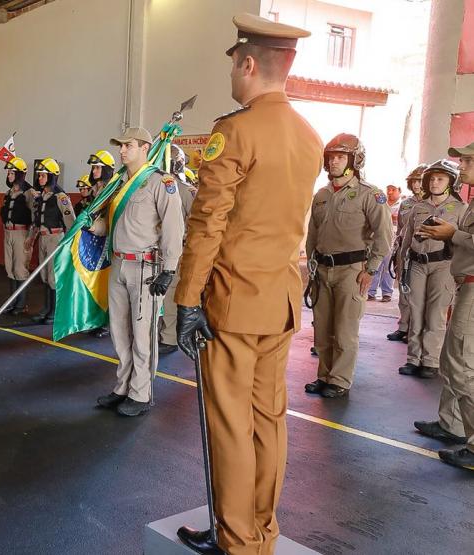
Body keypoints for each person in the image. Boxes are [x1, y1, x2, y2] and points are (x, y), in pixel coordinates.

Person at [173, 14, 323, 554]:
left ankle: (236, 539)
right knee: (268, 420)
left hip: (233, 303)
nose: (232, 75)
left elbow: (208, 222)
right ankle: (261, 532)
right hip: (280, 301)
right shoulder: (308, 135)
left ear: (249, 64)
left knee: (231, 424)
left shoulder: (235, 131)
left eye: (235, 65)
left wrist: (187, 299)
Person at [92, 127, 184, 417]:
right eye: (120, 146)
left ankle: (141, 393)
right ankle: (123, 387)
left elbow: (173, 227)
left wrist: (169, 269)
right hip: (118, 264)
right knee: (119, 331)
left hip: (146, 268)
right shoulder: (119, 184)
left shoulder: (161, 182)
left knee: (143, 334)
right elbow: (111, 226)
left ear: (145, 148)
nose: (121, 151)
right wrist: (90, 225)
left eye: (128, 145)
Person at [304, 133, 393, 398]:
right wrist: (312, 265)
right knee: (322, 329)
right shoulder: (321, 195)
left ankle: (339, 380)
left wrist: (371, 269)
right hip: (322, 269)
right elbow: (312, 234)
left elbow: (384, 236)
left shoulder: (371, 195)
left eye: (341, 157)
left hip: (352, 271)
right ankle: (324, 375)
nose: (334, 162)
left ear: (355, 160)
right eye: (331, 157)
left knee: (345, 331)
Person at [414, 141, 474, 469]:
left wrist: (453, 235)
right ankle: (452, 424)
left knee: (462, 365)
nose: (461, 166)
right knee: (453, 361)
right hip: (466, 284)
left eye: (467, 161)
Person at [397, 160, 467, 379]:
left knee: (436, 313)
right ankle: (413, 358)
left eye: (440, 179)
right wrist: (400, 267)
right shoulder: (418, 207)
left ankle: (430, 360)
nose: (434, 182)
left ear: (451, 182)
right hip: (417, 263)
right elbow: (406, 239)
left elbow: (463, 242)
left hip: (444, 265)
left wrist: (461, 272)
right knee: (415, 310)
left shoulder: (461, 209)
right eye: (431, 179)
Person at [25, 158, 74, 324]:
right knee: (44, 275)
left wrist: (69, 244)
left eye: (43, 175)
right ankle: (46, 308)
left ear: (52, 176)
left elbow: (71, 222)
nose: (39, 178)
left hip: (56, 238)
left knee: (53, 276)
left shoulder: (61, 197)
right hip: (43, 238)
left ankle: (54, 311)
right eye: (39, 175)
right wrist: (31, 238)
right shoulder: (41, 197)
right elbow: (36, 221)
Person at [158, 144, 196, 355]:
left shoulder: (185, 191)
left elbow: (197, 222)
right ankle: (159, 332)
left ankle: (170, 337)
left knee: (171, 293)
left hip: (177, 250)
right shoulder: (155, 186)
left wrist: (184, 241)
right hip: (156, 250)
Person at [388, 165, 426, 342]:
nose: (416, 185)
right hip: (404, 250)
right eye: (414, 181)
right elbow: (401, 229)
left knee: (418, 293)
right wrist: (397, 252)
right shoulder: (406, 203)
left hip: (421, 252)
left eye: (419, 181)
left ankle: (415, 329)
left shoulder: (431, 204)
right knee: (403, 289)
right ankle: (403, 326)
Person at [84, 150, 117, 338]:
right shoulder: (95, 189)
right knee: (96, 281)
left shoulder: (113, 189)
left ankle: (108, 323)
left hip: (107, 240)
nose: (94, 171)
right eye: (93, 168)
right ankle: (97, 319)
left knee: (108, 284)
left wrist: (95, 227)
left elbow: (110, 218)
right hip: (95, 240)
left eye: (97, 167)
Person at [0, 157, 33, 314]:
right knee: (10, 268)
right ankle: (12, 301)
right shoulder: (8, 193)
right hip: (8, 232)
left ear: (19, 174)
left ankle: (21, 304)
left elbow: (35, 216)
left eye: (12, 173)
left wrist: (30, 237)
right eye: (8, 173)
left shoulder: (29, 193)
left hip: (21, 233)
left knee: (20, 268)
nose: (9, 175)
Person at [367, 184, 401, 301]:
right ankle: (371, 292)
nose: (390, 192)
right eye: (388, 190)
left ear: (399, 191)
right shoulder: (382, 202)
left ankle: (387, 292)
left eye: (393, 190)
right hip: (379, 238)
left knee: (388, 267)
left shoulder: (402, 205)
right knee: (375, 265)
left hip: (393, 240)